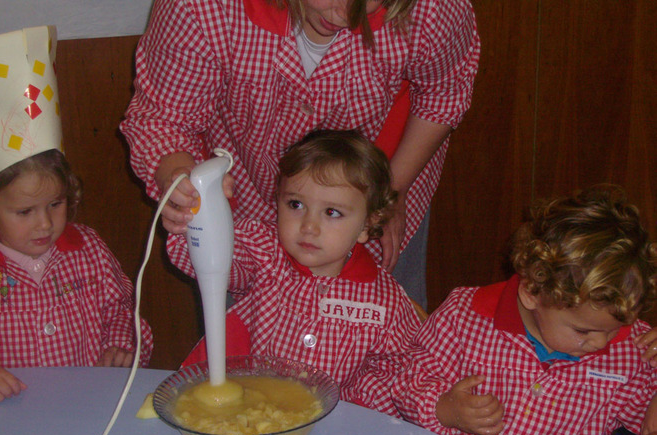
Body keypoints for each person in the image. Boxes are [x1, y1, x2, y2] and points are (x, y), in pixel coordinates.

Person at [120, 0, 481, 308]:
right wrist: (179, 176)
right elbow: (164, 117)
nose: (346, 16)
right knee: (251, 352)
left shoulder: (434, 7)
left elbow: (443, 95)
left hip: (388, 176)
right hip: (249, 203)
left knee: (384, 336)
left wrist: (388, 195)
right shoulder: (204, 7)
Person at [392, 185, 657, 435]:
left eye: (615, 330)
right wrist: (444, 408)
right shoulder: (465, 315)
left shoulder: (631, 350)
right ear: (532, 292)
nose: (602, 344)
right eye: (583, 331)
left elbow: (648, 427)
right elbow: (407, 379)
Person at [176, 130, 422, 416]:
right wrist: (202, 214)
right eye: (296, 205)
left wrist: (350, 410)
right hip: (242, 413)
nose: (309, 226)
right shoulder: (262, 252)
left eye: (331, 212)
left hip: (329, 430)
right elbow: (200, 258)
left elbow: (399, 375)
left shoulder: (386, 304)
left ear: (367, 224)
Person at [0, 26, 153, 405]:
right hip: (10, 423)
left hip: (89, 407)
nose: (44, 223)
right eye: (24, 211)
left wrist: (122, 347)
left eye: (56, 204)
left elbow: (124, 311)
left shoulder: (88, 249)